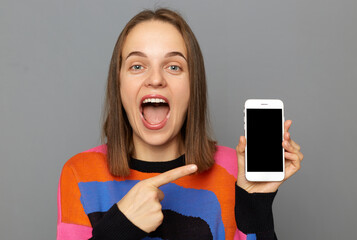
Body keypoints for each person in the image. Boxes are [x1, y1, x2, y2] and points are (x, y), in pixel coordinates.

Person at [57, 8, 303, 240]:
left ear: (192, 86)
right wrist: (119, 228)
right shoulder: (80, 174)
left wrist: (256, 207)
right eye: (137, 66)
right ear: (119, 84)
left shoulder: (234, 171)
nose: (155, 79)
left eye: (174, 66)